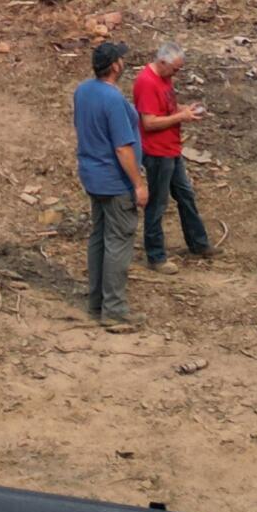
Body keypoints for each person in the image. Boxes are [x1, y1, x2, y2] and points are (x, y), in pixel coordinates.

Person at [71, 39, 148, 329]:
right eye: (122, 59)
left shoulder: (83, 91)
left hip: (92, 174)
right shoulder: (112, 100)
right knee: (118, 241)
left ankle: (96, 303)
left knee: (99, 237)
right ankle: (114, 309)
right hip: (114, 180)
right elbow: (122, 148)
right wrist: (138, 184)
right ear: (115, 65)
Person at [132, 41, 213, 269]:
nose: (176, 74)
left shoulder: (165, 78)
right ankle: (156, 256)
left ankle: (198, 243)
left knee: (185, 195)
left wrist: (184, 110)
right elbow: (148, 122)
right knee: (157, 204)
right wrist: (181, 117)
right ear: (162, 62)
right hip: (157, 152)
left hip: (171, 148)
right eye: (175, 69)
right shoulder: (147, 83)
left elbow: (165, 110)